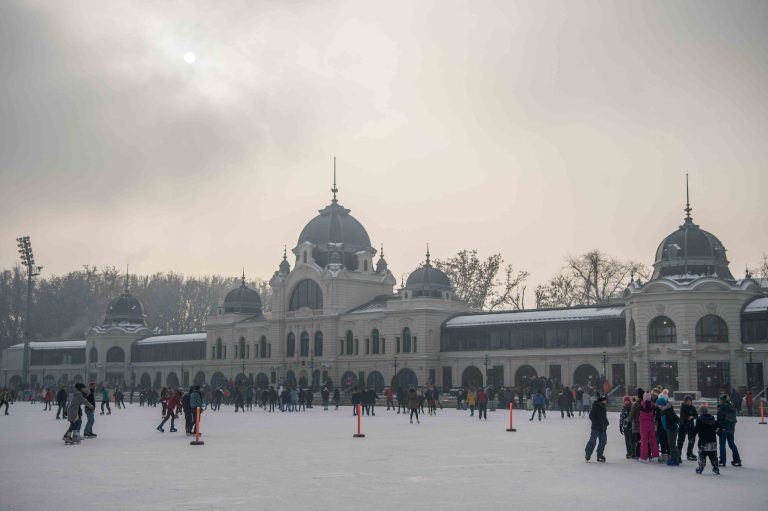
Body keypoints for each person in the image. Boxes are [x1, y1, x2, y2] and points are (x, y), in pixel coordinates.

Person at [716, 394, 742, 467]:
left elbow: (719, 419)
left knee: (722, 445)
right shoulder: (732, 407)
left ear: (723, 400)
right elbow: (734, 419)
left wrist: (717, 427)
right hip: (731, 428)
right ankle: (737, 460)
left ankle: (722, 461)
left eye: (720, 400)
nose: (720, 401)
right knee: (732, 444)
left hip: (723, 428)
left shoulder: (722, 407)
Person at [694, 405, 720, 475]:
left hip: (703, 441)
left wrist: (691, 436)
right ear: (707, 411)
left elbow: (696, 429)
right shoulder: (712, 419)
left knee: (702, 455)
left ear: (700, 412)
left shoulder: (699, 420)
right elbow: (717, 426)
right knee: (713, 455)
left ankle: (701, 467)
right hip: (712, 441)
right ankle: (716, 467)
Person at [584, 393, 609, 462]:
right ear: (602, 400)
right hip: (596, 428)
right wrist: (596, 422)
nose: (606, 401)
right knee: (592, 441)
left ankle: (599, 455)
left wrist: (606, 422)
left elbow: (603, 417)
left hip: (603, 428)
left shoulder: (603, 407)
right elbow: (591, 416)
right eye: (605, 400)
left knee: (603, 441)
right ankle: (588, 454)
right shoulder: (596, 407)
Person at [657, 394, 681, 466]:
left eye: (658, 405)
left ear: (661, 404)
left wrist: (678, 422)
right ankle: (678, 458)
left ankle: (674, 460)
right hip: (669, 429)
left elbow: (674, 417)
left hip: (672, 429)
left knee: (672, 445)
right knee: (672, 444)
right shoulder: (666, 409)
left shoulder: (667, 410)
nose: (658, 407)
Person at [638, 392, 659, 461]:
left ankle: (644, 457)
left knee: (644, 441)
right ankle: (655, 456)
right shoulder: (652, 406)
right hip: (651, 424)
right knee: (653, 440)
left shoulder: (641, 405)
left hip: (643, 425)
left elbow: (638, 415)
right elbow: (654, 415)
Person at [677, 395, 698, 461]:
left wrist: (693, 417)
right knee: (680, 441)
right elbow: (682, 418)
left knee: (691, 440)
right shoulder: (683, 407)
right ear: (685, 401)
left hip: (691, 426)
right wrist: (685, 423)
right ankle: (678, 455)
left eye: (690, 401)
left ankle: (689, 453)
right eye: (687, 401)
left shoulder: (693, 407)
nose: (688, 402)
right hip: (683, 426)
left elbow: (696, 415)